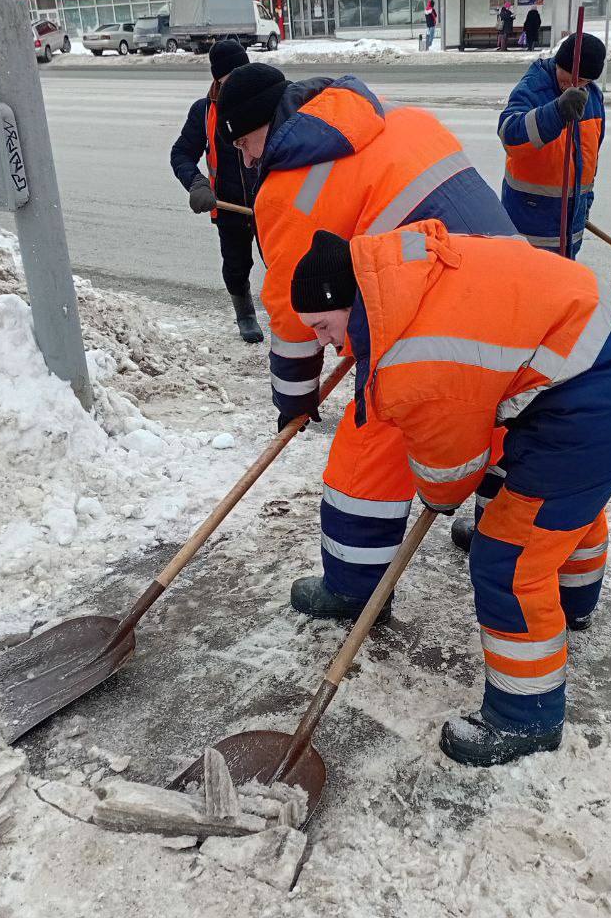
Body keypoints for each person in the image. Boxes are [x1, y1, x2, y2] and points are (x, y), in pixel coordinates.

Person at [289, 221, 611, 766]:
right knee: (564, 507)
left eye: (322, 326)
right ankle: (573, 605)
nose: (323, 343)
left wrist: (437, 492)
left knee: (509, 560)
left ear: (347, 303)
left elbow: (449, 476)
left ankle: (526, 718)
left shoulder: (416, 358)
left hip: (599, 398)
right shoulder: (408, 275)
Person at [216, 61, 520, 620]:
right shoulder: (400, 119)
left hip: (435, 317)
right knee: (506, 417)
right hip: (518, 294)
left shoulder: (287, 191)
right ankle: (510, 541)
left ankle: (354, 588)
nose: (248, 159)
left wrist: (295, 400)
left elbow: (294, 312)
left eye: (243, 143)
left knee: (369, 447)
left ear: (262, 126)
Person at [170, 39, 263, 343]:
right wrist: (196, 183)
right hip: (229, 206)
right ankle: (245, 313)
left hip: (269, 204)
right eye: (228, 80)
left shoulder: (265, 101)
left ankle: (295, 317)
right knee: (237, 266)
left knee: (281, 263)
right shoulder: (204, 111)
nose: (237, 86)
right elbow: (181, 153)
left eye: (241, 76)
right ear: (217, 80)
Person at [498, 31, 606, 259]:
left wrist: (585, 205)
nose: (573, 85)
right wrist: (556, 112)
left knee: (563, 280)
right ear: (558, 63)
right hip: (530, 224)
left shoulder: (593, 97)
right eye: (568, 75)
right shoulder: (533, 87)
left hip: (571, 226)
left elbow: (590, 160)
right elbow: (510, 135)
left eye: (583, 81)